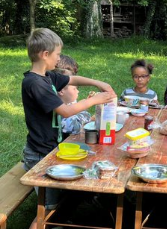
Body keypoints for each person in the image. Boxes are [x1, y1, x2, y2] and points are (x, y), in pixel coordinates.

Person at [22, 28, 116, 229]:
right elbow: (65, 111)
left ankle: (61, 218)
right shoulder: (35, 83)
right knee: (47, 208)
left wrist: (97, 82)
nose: (58, 58)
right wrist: (94, 100)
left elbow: (72, 79)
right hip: (39, 154)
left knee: (61, 201)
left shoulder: (47, 77)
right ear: (45, 54)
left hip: (49, 148)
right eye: (56, 54)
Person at [53, 56, 92, 140]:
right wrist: (84, 106)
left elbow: (86, 117)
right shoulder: (58, 107)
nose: (77, 91)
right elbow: (75, 126)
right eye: (75, 88)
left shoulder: (68, 102)